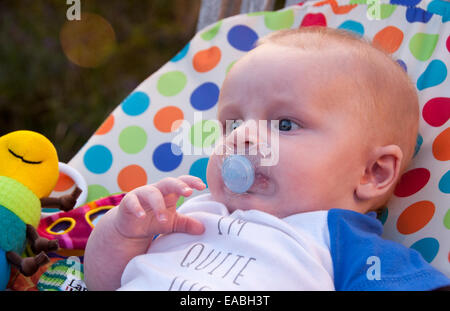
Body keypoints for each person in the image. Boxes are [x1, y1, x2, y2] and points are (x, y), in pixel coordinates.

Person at [84, 27, 450, 291]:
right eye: (233, 123)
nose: (242, 137)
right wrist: (121, 232)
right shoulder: (187, 211)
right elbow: (101, 282)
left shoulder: (341, 244)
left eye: (286, 124)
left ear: (372, 172)